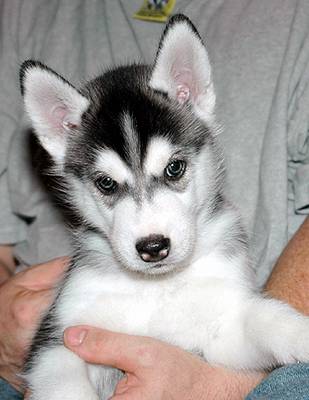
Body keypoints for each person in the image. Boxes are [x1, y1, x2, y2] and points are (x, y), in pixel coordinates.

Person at [0, 1, 309, 399]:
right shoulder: (21, 11)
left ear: (193, 96)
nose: (150, 233)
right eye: (109, 186)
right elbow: (60, 353)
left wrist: (288, 332)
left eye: (174, 170)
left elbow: (230, 334)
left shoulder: (221, 245)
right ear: (60, 139)